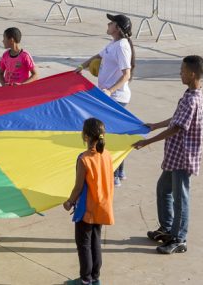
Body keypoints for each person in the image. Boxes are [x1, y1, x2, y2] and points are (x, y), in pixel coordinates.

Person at [132, 55, 203, 255]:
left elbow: (176, 128)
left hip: (183, 157)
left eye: (183, 71)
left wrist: (147, 141)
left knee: (180, 199)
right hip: (175, 156)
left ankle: (179, 239)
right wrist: (155, 125)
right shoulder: (189, 95)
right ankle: (166, 228)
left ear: (192, 74)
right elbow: (175, 119)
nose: (180, 74)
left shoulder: (192, 100)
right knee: (163, 189)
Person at [78, 13, 135, 185]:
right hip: (107, 97)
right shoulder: (113, 44)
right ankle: (119, 172)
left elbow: (126, 75)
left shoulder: (122, 46)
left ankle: (115, 174)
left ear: (117, 28)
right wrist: (81, 66)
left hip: (116, 97)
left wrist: (110, 91)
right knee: (109, 134)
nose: (108, 24)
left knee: (108, 135)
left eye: (111, 23)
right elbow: (98, 56)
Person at [62, 118, 115, 285]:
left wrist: (69, 202)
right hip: (102, 206)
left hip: (86, 209)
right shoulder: (107, 155)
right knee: (95, 242)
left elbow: (78, 187)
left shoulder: (84, 159)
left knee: (84, 244)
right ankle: (95, 278)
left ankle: (85, 280)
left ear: (85, 136)